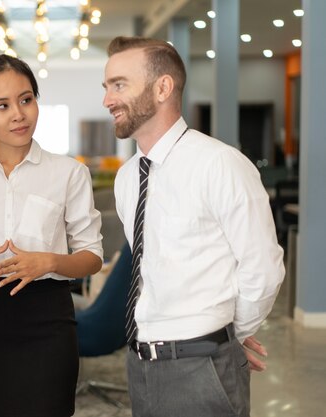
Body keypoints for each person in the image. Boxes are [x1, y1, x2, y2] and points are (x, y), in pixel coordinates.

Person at [103, 36, 285, 417]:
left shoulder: (221, 165)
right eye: (107, 87)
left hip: (202, 367)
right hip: (140, 365)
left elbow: (263, 270)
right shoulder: (126, 179)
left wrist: (226, 336)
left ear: (162, 88)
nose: (107, 100)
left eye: (119, 85)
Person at [0, 54, 103, 417]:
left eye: (26, 100)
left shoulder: (68, 173)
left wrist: (49, 262)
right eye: (2, 105)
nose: (19, 114)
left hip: (49, 319)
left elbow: (92, 257)